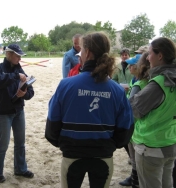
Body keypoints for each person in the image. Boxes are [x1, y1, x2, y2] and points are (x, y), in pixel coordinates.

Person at [45, 31, 134, 188]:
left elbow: (52, 126)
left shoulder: (66, 85)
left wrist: (65, 144)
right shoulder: (117, 90)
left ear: (87, 52)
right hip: (104, 155)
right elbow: (125, 128)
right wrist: (110, 145)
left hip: (72, 153)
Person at [129, 37, 176, 188]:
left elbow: (135, 110)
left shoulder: (159, 83)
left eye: (149, 53)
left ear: (160, 55)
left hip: (151, 147)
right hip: (170, 142)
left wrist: (134, 90)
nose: (148, 58)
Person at [0, 44, 35, 183]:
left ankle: (20, 169)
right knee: (3, 144)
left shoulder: (20, 69)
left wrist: (24, 93)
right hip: (3, 114)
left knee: (20, 143)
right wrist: (16, 76)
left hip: (18, 112)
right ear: (8, 54)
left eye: (20, 55)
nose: (20, 58)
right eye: (17, 55)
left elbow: (31, 91)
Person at [119, 52, 150, 187]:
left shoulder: (139, 84)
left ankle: (135, 181)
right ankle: (134, 178)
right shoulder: (138, 81)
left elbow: (131, 106)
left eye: (132, 65)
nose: (129, 67)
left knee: (135, 157)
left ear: (139, 67)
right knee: (134, 158)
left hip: (135, 126)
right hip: (137, 126)